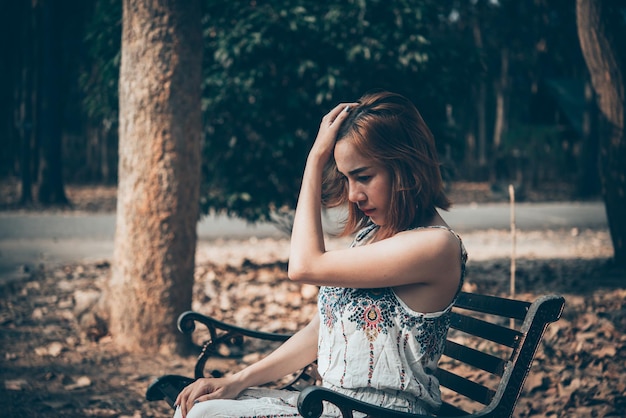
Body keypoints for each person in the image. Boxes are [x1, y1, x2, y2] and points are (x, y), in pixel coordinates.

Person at [174, 90, 467, 418]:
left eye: (364, 176)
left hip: (379, 412)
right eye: (346, 178)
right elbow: (319, 332)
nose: (353, 194)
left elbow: (303, 266)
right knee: (204, 406)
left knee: (203, 416)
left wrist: (315, 161)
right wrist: (236, 380)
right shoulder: (371, 236)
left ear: (407, 167)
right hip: (333, 405)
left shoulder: (435, 247)